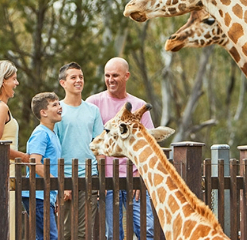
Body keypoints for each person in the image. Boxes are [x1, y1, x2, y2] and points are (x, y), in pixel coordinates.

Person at [86, 57, 155, 240]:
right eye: (107, 75)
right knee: (113, 234)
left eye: (115, 75)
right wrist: (98, 178)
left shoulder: (139, 106)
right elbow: (89, 142)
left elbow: (149, 144)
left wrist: (141, 175)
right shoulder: (93, 103)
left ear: (127, 76)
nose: (110, 79)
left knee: (147, 230)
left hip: (134, 179)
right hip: (107, 180)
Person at [54, 62, 104, 240]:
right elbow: (54, 147)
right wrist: (61, 182)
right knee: (66, 231)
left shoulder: (93, 111)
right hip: (65, 177)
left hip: (89, 177)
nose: (78, 81)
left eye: (81, 77)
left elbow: (99, 146)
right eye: (73, 77)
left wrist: (101, 178)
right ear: (63, 83)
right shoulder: (57, 110)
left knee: (84, 232)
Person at [0, 60, 29, 240]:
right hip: (6, 173)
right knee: (9, 227)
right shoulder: (1, 108)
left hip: (0, 173)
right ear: (3, 81)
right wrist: (23, 156)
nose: (16, 83)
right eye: (14, 79)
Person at [22, 92, 63, 240]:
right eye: (54, 105)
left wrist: (55, 195)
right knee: (50, 236)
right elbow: (34, 163)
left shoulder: (53, 134)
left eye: (59, 103)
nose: (60, 107)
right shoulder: (40, 134)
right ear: (43, 112)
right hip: (37, 195)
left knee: (45, 236)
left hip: (46, 195)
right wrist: (55, 182)